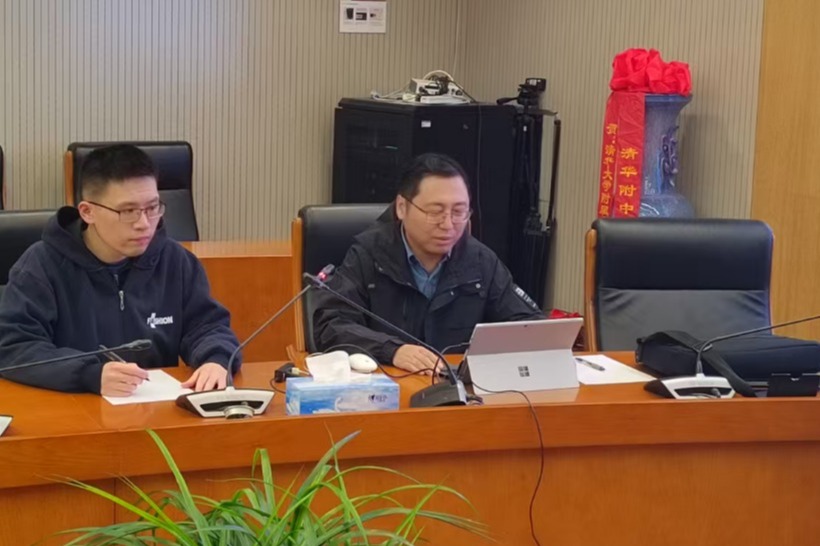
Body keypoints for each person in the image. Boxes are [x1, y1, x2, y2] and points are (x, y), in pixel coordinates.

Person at [0, 145, 239, 397]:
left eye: (152, 208)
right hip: (73, 407)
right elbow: (14, 348)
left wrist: (216, 359)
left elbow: (207, 326)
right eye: (128, 211)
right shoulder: (41, 266)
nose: (144, 224)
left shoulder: (176, 261)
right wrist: (89, 374)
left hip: (155, 409)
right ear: (87, 212)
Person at [313, 153, 544, 374]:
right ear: (402, 207)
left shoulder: (480, 261)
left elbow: (529, 325)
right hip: (388, 387)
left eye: (459, 212)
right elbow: (332, 324)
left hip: (457, 388)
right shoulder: (369, 255)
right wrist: (392, 350)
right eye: (435, 212)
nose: (448, 225)